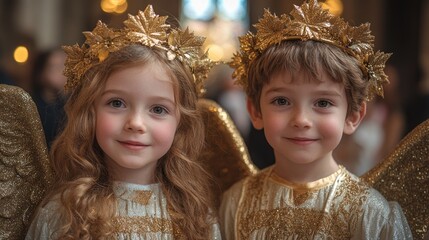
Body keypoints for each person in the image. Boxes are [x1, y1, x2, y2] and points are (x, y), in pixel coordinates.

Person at [220, 0, 412, 239]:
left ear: (352, 116)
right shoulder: (236, 203)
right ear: (256, 112)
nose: (301, 120)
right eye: (281, 101)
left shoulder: (370, 213)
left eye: (323, 103)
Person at [25, 5, 220, 239]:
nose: (136, 123)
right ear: (91, 111)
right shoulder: (62, 214)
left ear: (181, 123)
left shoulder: (197, 217)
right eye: (117, 103)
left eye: (158, 109)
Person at [30, 48, 67, 148]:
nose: (64, 73)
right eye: (56, 67)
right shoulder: (31, 107)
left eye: (66, 67)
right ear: (41, 73)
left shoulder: (71, 106)